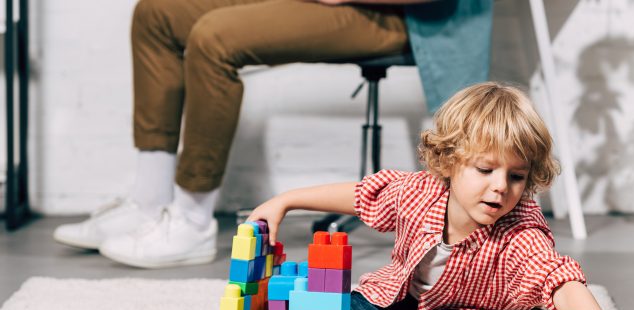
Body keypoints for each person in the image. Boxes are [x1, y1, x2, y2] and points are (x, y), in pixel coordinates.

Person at [52, 0, 493, 268]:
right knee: (157, 13)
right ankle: (150, 201)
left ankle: (190, 221)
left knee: (214, 38)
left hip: (401, 13)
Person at [246, 82, 634, 310]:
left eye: (517, 176)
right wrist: (287, 200)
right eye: (485, 169)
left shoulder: (521, 230)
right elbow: (362, 194)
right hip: (404, 300)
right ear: (450, 162)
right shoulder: (419, 192)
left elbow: (559, 278)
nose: (501, 187)